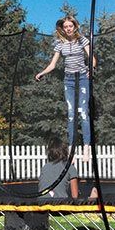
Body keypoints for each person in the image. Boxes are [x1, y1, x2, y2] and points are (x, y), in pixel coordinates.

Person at [35, 15, 97, 162]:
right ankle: (72, 149)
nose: (68, 29)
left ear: (75, 26)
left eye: (70, 26)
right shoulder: (60, 43)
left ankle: (86, 148)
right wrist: (42, 73)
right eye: (66, 27)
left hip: (82, 78)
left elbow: (92, 59)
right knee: (71, 114)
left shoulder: (82, 40)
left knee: (83, 113)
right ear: (62, 29)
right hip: (68, 80)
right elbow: (53, 64)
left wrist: (91, 69)